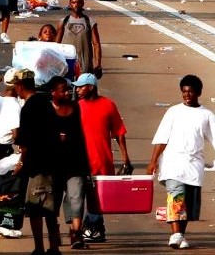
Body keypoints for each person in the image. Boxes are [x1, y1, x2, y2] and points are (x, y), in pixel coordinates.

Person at [146, 74, 215, 251]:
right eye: (184, 92)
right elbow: (162, 138)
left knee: (187, 203)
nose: (187, 95)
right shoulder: (173, 112)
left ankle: (180, 235)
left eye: (191, 92)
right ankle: (175, 233)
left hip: (194, 165)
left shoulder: (206, 115)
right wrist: (153, 161)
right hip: (173, 162)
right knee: (176, 195)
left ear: (198, 93)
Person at [75, 73, 131, 244]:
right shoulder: (76, 107)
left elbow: (119, 134)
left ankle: (93, 227)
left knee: (96, 197)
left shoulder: (108, 105)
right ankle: (88, 228)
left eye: (81, 86)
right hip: (80, 160)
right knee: (77, 196)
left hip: (101, 159)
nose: (77, 90)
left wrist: (125, 159)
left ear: (91, 87)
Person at [14, 68, 63, 255]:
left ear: (20, 87)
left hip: (38, 166)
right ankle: (53, 247)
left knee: (35, 209)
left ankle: (40, 248)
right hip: (54, 164)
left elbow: (25, 142)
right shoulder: (46, 103)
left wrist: (20, 162)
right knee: (50, 209)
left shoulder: (28, 108)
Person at [47, 75, 90, 250]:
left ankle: (76, 233)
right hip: (53, 164)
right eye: (63, 90)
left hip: (75, 162)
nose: (67, 92)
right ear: (53, 92)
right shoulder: (47, 110)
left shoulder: (75, 108)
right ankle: (54, 234)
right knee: (53, 201)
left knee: (77, 198)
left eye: (67, 89)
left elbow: (80, 135)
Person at [56, 0, 101, 79]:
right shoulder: (63, 22)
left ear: (83, 3)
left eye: (79, 2)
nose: (76, 5)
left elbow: (96, 44)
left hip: (85, 66)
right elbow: (57, 44)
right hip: (66, 65)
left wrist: (98, 64)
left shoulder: (90, 22)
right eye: (73, 2)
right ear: (69, 4)